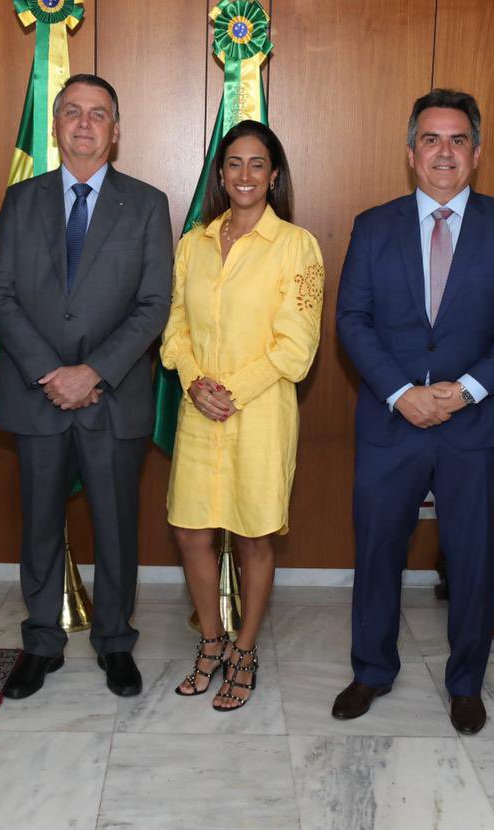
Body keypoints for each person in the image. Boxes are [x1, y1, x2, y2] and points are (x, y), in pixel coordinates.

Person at [332, 89, 494, 732]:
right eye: (431, 139)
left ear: (477, 153)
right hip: (391, 420)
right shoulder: (374, 225)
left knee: (474, 558)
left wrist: (464, 390)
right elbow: (352, 319)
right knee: (376, 552)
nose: (444, 152)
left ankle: (466, 683)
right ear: (410, 153)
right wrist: (403, 392)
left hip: (474, 424)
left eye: (458, 140)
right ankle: (371, 671)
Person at [0, 74, 172, 699]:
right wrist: (53, 373)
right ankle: (41, 641)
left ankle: (116, 642)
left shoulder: (146, 204)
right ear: (57, 126)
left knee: (117, 527)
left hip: (111, 396)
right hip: (40, 394)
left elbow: (153, 305)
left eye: (98, 114)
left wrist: (92, 372)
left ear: (115, 132)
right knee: (38, 525)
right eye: (72, 112)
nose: (85, 124)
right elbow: (0, 295)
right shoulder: (21, 200)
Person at [161, 120, 323, 711]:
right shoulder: (193, 244)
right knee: (191, 530)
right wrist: (194, 382)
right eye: (234, 164)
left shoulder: (297, 247)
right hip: (199, 408)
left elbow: (296, 349)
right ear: (220, 174)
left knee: (254, 535)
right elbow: (174, 328)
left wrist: (228, 389)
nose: (245, 175)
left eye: (258, 164)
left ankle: (246, 650)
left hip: (259, 413)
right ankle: (211, 642)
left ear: (274, 174)